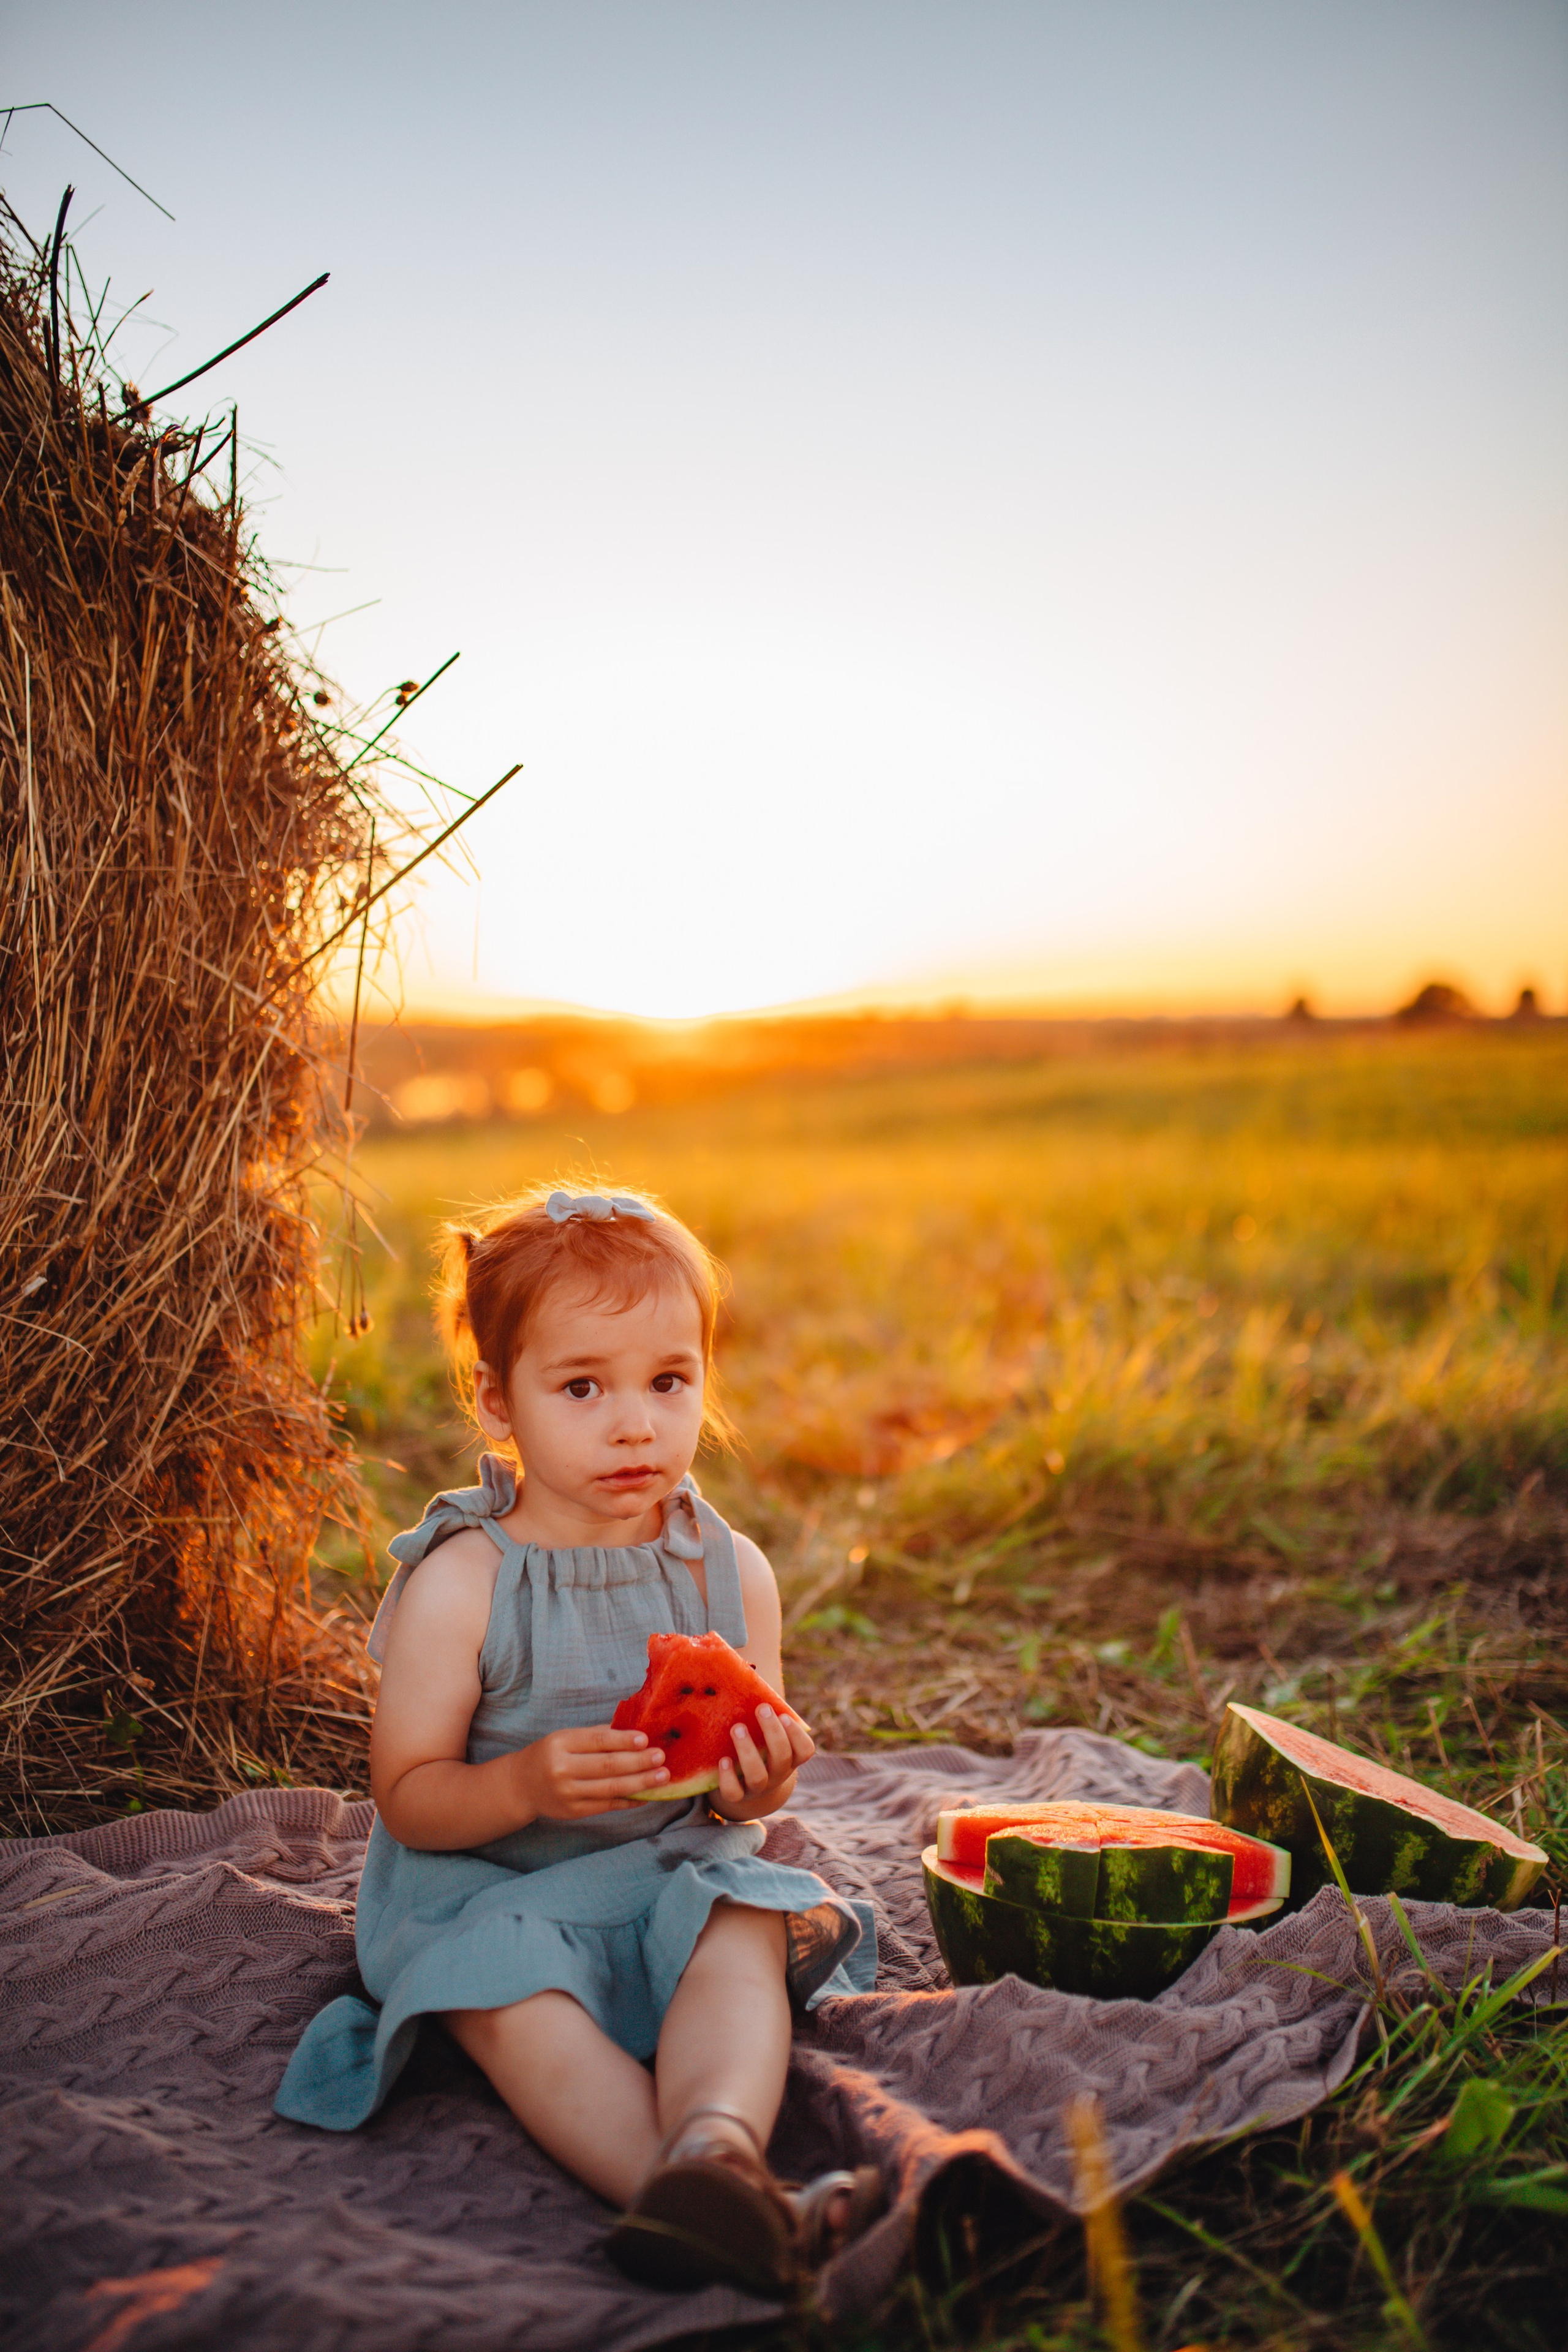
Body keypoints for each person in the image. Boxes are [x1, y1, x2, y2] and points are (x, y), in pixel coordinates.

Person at [276, 1185, 881, 2295]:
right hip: (483, 1891)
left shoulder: (728, 1570)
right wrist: (521, 1785)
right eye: (583, 1387)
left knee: (745, 1923)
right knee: (506, 1996)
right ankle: (688, 2196)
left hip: (662, 1873)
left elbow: (741, 1804)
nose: (635, 1423)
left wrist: (755, 1789)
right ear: (498, 1401)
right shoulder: (464, 1583)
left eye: (668, 1381)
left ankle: (714, 2147)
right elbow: (409, 1795)